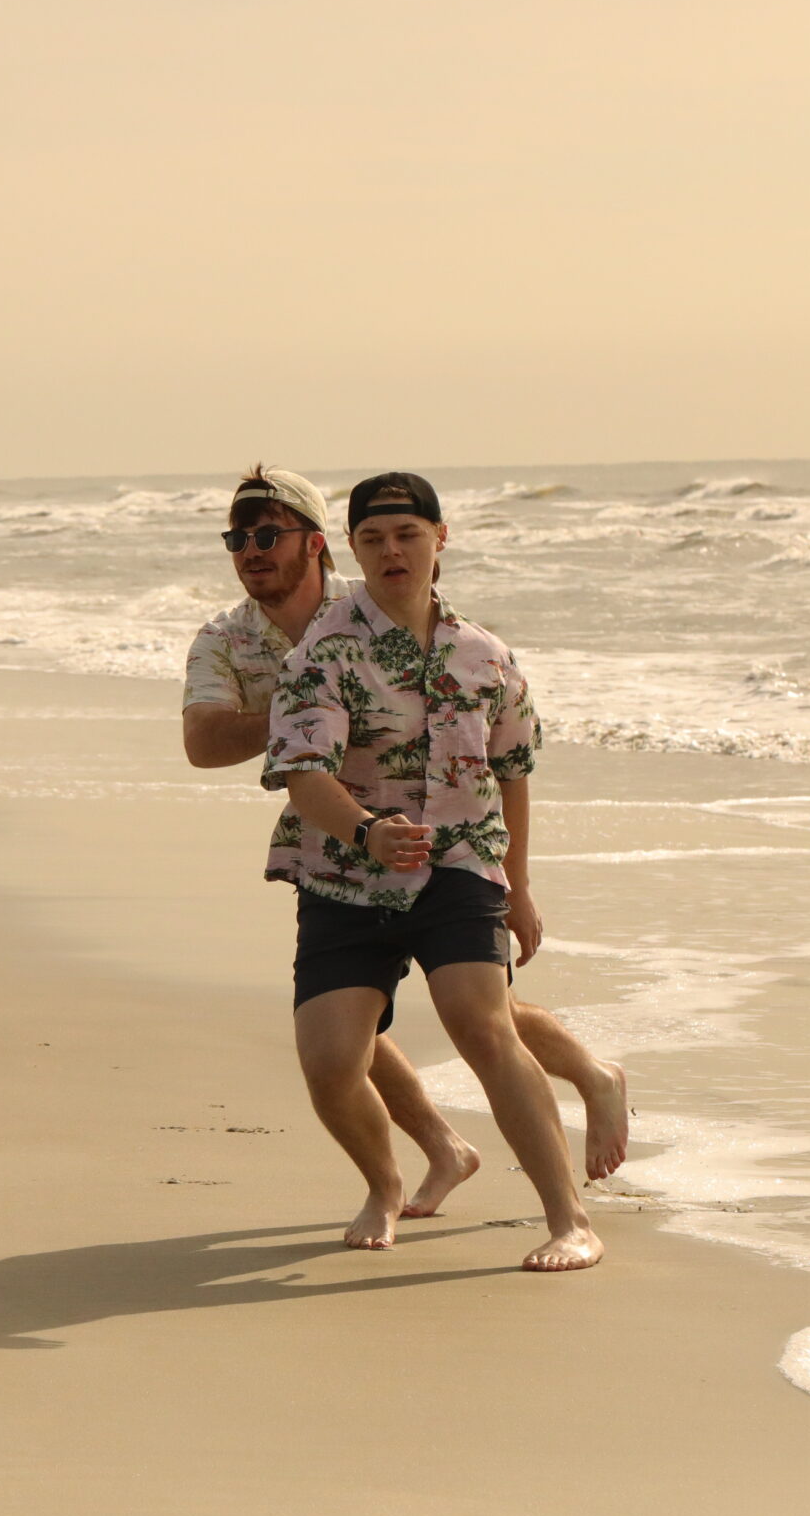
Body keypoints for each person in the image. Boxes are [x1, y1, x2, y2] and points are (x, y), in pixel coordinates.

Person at [181, 470, 627, 1228]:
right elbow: (219, 747)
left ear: (317, 545)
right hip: (340, 859)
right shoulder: (257, 644)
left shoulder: (466, 641)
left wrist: (518, 886)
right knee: (336, 1053)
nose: (251, 549)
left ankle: (571, 1189)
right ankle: (410, 1168)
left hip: (455, 856)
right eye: (239, 537)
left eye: (269, 534)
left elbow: (512, 767)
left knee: (483, 1017)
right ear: (354, 544)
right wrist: (310, 729)